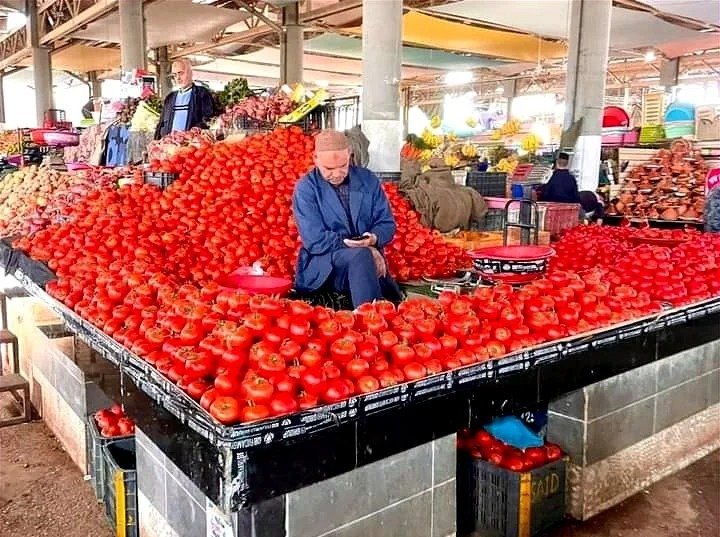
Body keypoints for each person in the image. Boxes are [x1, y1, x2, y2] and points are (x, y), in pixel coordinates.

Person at [292, 130, 403, 308]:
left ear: (349, 154)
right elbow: (315, 240)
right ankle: (369, 317)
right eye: (329, 169)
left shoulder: (368, 180)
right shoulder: (306, 188)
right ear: (315, 159)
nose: (337, 174)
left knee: (363, 257)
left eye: (343, 165)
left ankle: (372, 312)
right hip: (326, 266)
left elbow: (386, 223)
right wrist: (364, 247)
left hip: (364, 263)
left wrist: (374, 238)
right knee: (362, 255)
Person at [154, 59, 215, 139]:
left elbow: (209, 120)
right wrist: (157, 140)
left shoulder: (202, 93)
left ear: (190, 73)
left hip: (192, 144)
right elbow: (161, 123)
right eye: (175, 75)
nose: (178, 78)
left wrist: (189, 136)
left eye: (181, 73)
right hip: (170, 144)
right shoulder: (170, 97)